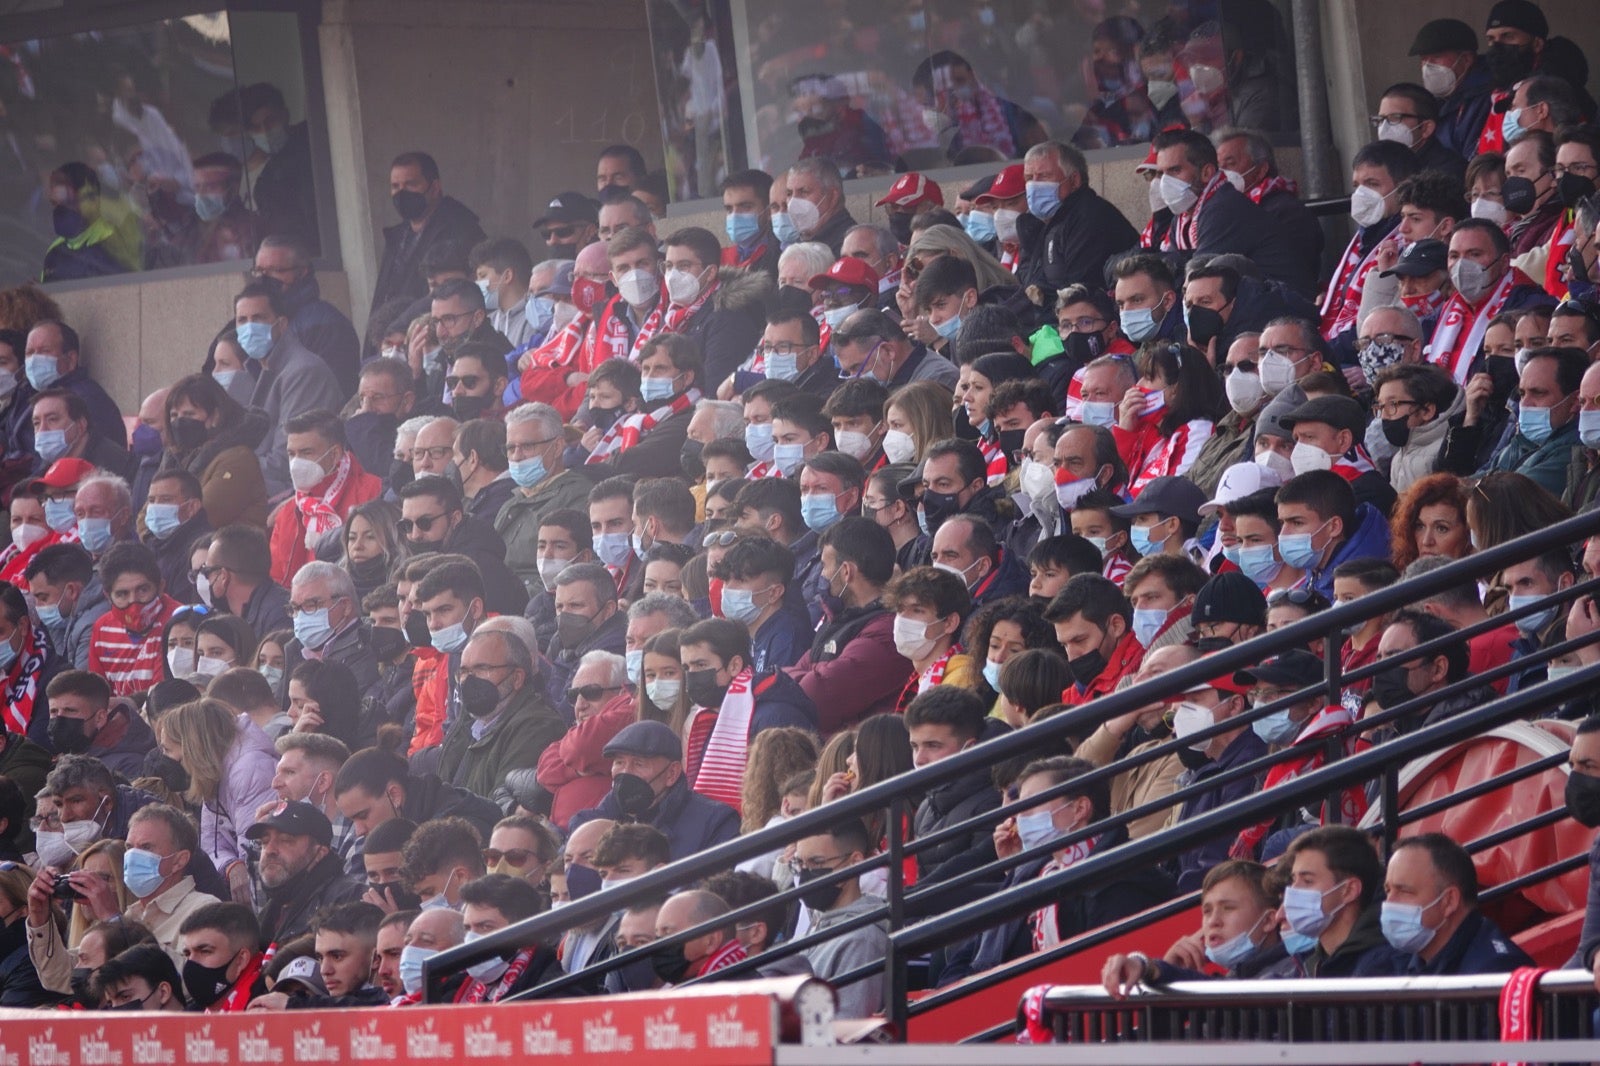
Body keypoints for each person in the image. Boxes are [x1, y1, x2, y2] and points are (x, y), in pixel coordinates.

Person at [1150, 129, 1312, 297]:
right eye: (1161, 173)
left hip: (1282, 310)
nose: (1165, 182)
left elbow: (1198, 281)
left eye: (1175, 170)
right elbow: (1170, 271)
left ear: (1206, 173)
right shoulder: (1183, 216)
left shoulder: (1224, 208)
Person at [787, 517, 912, 732]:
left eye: (825, 566)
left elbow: (815, 696)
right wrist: (816, 672)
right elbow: (795, 676)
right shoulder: (835, 619)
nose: (823, 575)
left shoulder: (887, 629)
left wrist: (812, 672)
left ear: (846, 571)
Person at [678, 617, 818, 806]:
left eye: (701, 665)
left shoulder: (776, 717)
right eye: (687, 668)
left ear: (734, 665)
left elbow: (795, 795)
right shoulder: (709, 717)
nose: (692, 675)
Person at [234, 281, 345, 498]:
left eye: (258, 318)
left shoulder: (303, 371)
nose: (249, 327)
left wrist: (229, 468)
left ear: (282, 324)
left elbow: (287, 461)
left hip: (298, 493)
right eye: (242, 320)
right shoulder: (255, 370)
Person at [570, 720, 738, 861]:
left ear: (671, 773)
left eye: (639, 764)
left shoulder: (715, 822)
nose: (625, 773)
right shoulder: (608, 812)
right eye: (619, 762)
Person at [438, 626, 563, 799]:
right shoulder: (468, 723)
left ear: (517, 678)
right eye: (464, 671)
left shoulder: (536, 727)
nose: (470, 679)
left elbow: (499, 809)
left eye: (482, 668)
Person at [157, 698, 277, 880]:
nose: (168, 759)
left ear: (192, 746)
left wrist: (241, 870)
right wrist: (230, 865)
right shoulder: (215, 772)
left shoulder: (251, 769)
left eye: (168, 750)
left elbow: (256, 852)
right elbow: (211, 844)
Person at [268, 409, 382, 587]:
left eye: (306, 452)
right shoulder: (289, 511)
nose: (296, 463)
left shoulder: (372, 491)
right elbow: (277, 576)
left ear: (334, 454)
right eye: (291, 454)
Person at [1014, 141, 1139, 299]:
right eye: (1029, 178)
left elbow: (1078, 292)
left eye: (1044, 176)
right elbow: (1028, 284)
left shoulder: (1090, 217)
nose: (1034, 185)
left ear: (1074, 180)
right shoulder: (1046, 222)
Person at [793, 818, 889, 1018]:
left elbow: (846, 1030)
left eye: (817, 863)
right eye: (799, 863)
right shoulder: (819, 919)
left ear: (854, 863)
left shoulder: (862, 941)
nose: (805, 874)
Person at [1278, 825, 1403, 977]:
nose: (1293, 890)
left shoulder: (1380, 969)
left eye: (1308, 880)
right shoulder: (1311, 964)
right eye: (1293, 879)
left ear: (1349, 890)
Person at [372, 151, 486, 310]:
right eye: (395, 186)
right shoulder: (396, 237)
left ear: (434, 187)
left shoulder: (461, 230)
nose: (401, 193)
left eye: (410, 184)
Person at [252, 235, 360, 395]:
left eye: (276, 270)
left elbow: (330, 393)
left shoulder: (326, 326)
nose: (265, 278)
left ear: (302, 272)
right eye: (259, 270)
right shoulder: (249, 323)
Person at [248, 800, 365, 946]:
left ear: (320, 853)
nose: (270, 850)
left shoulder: (346, 899)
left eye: (285, 840)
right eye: (264, 842)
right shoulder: (271, 910)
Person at [332, 745, 502, 843]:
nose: (358, 831)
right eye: (352, 821)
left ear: (394, 795)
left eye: (363, 815)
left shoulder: (455, 835)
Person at [1482, 346, 1583, 495]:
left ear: (1575, 401)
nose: (1525, 404)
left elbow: (1504, 501)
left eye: (1538, 393)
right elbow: (1477, 480)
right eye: (1522, 394)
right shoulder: (1520, 442)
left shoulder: (1573, 451)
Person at [1275, 471, 1391, 600]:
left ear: (1334, 527)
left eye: (1297, 523)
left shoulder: (1368, 581)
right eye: (1282, 523)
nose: (1283, 534)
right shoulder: (1317, 566)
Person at [88, 544, 179, 698]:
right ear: (108, 596)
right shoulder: (102, 628)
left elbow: (166, 694)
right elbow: (98, 694)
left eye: (143, 590)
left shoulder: (178, 621)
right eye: (122, 594)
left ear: (161, 587)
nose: (134, 602)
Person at [454, 873, 562, 1002]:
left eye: (485, 927)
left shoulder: (553, 990)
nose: (471, 939)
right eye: (467, 929)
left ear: (521, 932)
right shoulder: (456, 986)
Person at [20, 319, 126, 450]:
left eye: (45, 351)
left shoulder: (86, 398)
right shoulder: (34, 396)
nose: (34, 360)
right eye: (29, 353)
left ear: (71, 359)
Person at [1045, 574, 1142, 707]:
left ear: (1116, 626)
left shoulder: (1145, 670)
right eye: (1064, 645)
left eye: (1079, 640)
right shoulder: (1077, 690)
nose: (1071, 656)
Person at [44, 669, 153, 777]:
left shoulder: (128, 766)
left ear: (100, 718)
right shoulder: (69, 756)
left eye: (70, 710)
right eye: (54, 711)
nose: (59, 718)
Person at [202, 524, 292, 637]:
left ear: (223, 576)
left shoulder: (278, 616)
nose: (206, 579)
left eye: (207, 572)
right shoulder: (230, 614)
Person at [177, 902, 269, 1010]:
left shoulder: (268, 1009)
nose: (191, 961)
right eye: (187, 953)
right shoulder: (190, 1015)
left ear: (241, 960)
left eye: (205, 951)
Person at [96, 942, 187, 1010]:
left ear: (163, 992)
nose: (115, 1011)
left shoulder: (198, 1032)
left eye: (125, 997)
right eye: (110, 1004)